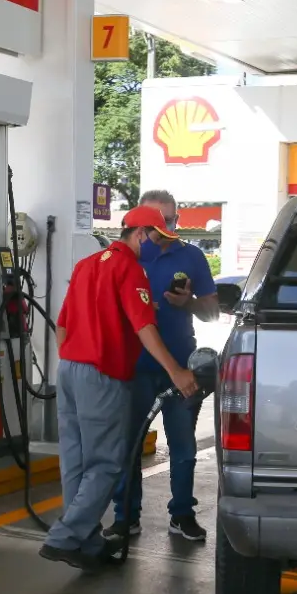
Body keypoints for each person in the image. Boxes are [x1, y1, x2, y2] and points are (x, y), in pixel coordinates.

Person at [40, 205, 199, 572]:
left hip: (69, 371)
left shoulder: (87, 265)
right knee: (107, 462)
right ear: (140, 233)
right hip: (102, 375)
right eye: (157, 238)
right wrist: (175, 371)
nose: (158, 246)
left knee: (76, 462)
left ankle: (87, 540)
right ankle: (64, 538)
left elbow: (61, 326)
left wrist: (75, 358)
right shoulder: (130, 269)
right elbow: (145, 327)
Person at [106, 190, 219, 542]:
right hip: (135, 366)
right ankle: (126, 517)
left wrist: (188, 303)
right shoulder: (128, 258)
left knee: (183, 446)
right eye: (159, 222)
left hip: (182, 366)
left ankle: (182, 514)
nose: (167, 228)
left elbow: (213, 312)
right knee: (129, 444)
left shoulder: (193, 256)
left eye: (171, 220)